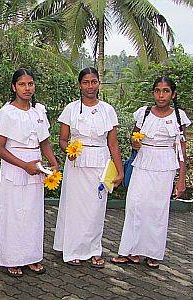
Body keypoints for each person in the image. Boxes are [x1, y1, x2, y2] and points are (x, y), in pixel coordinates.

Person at [111, 76, 191, 268]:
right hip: (142, 162)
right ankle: (130, 252)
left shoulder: (178, 116)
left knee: (157, 209)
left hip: (165, 164)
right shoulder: (144, 113)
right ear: (153, 92)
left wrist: (181, 180)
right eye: (157, 90)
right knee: (135, 205)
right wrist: (135, 143)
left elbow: (181, 150)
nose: (161, 95)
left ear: (173, 94)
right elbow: (134, 138)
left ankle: (153, 253)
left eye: (165, 91)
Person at [53, 67, 124, 268]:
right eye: (86, 82)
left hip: (100, 162)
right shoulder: (71, 109)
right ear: (80, 85)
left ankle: (94, 250)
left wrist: (120, 170)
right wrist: (70, 150)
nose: (90, 86)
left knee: (96, 208)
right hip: (77, 162)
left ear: (98, 83)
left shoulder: (108, 110)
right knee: (75, 207)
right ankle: (73, 249)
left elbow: (113, 144)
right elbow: (63, 140)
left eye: (94, 82)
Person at [0, 68, 59, 277]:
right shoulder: (7, 112)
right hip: (15, 168)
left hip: (36, 169)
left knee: (32, 215)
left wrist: (53, 163)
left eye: (30, 84)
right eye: (22, 84)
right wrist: (24, 165)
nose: (27, 88)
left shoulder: (38, 111)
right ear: (14, 87)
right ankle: (11, 259)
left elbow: (44, 141)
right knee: (13, 214)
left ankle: (31, 257)